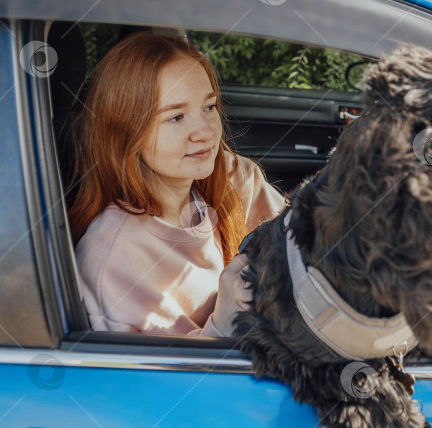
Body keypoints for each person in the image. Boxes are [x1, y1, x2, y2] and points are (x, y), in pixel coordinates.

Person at [69, 32, 285, 337]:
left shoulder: (234, 177)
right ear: (125, 131)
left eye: (209, 107)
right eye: (176, 117)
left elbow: (305, 241)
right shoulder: (112, 259)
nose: (205, 132)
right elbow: (157, 381)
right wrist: (222, 326)